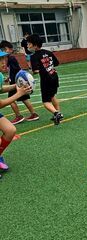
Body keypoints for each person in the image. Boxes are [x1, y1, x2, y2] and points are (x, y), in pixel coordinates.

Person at [0, 50, 32, 178]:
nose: (4, 62)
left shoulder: (0, 76)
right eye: (0, 60)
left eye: (4, 59)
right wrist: (19, 94)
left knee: (10, 130)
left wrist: (16, 87)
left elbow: (1, 89)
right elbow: (0, 104)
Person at [26, 34, 63, 125]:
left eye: (29, 44)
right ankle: (58, 115)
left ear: (35, 45)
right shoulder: (48, 52)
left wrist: (30, 74)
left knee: (46, 102)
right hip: (54, 76)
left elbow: (35, 71)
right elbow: (56, 63)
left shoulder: (34, 56)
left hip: (46, 79)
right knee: (52, 95)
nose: (27, 45)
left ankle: (56, 113)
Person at [0, 40, 39, 124]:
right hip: (17, 80)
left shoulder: (10, 58)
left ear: (6, 49)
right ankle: (33, 114)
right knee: (24, 98)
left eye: (3, 50)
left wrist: (14, 80)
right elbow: (13, 70)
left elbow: (15, 70)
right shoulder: (10, 57)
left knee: (11, 100)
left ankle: (18, 116)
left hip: (16, 81)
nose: (3, 61)